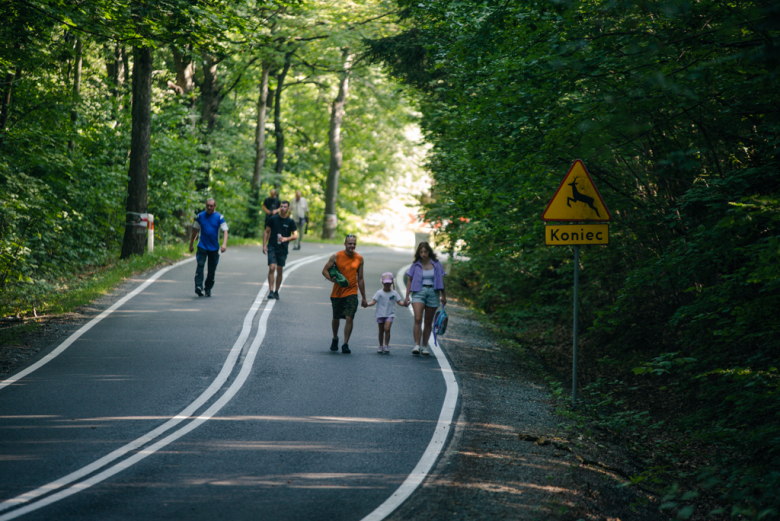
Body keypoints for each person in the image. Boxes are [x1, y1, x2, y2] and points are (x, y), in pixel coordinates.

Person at [321, 235, 368, 354]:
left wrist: (364, 297)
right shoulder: (336, 256)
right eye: (350, 243)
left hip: (352, 291)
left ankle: (345, 343)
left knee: (349, 316)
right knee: (336, 318)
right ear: (345, 244)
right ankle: (335, 338)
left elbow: (361, 278)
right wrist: (332, 280)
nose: (352, 246)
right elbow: (324, 270)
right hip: (337, 292)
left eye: (354, 243)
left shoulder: (359, 258)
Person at [403, 242, 447, 356]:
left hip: (433, 292)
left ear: (429, 252)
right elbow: (410, 280)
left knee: (428, 322)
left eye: (425, 252)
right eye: (421, 252)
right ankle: (417, 345)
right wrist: (407, 296)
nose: (423, 254)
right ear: (419, 253)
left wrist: (444, 295)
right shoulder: (415, 265)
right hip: (419, 291)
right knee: (418, 318)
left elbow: (441, 280)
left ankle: (424, 346)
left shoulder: (437, 264)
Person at [189, 198, 228, 297]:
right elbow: (195, 231)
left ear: (215, 206)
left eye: (211, 206)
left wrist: (224, 244)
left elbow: (225, 231)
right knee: (200, 266)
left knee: (211, 270)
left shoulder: (219, 217)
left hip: (214, 248)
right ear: (205, 206)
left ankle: (208, 288)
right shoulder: (200, 216)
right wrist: (191, 244)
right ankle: (198, 286)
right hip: (202, 245)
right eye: (207, 205)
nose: (209, 207)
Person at [263, 200, 298, 300]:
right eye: (281, 206)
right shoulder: (273, 219)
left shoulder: (290, 222)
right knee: (272, 268)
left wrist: (286, 239)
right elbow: (266, 231)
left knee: (279, 270)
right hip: (272, 246)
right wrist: (264, 245)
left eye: (284, 207)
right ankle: (270, 291)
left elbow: (295, 235)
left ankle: (276, 291)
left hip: (282, 248)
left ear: (288, 209)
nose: (282, 208)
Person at [366, 272, 407, 354]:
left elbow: (399, 302)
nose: (387, 285)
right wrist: (366, 304)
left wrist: (405, 304)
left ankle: (386, 345)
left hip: (390, 314)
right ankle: (380, 346)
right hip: (380, 314)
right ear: (382, 282)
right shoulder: (379, 293)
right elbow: (373, 302)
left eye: (389, 283)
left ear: (392, 282)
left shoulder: (394, 293)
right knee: (381, 331)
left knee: (387, 329)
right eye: (385, 283)